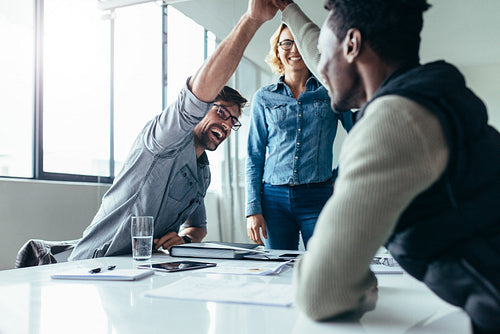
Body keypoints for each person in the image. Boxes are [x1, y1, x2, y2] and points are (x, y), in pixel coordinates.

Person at [277, 0, 500, 333]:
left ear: (352, 45)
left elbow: (322, 294)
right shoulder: (431, 96)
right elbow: (324, 55)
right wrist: (287, 8)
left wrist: (359, 286)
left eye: (324, 57)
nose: (319, 69)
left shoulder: (395, 119)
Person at [69, 0, 279, 261]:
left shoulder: (202, 172)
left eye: (232, 122)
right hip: (96, 264)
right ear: (204, 108)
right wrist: (251, 20)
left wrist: (185, 238)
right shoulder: (165, 138)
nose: (226, 125)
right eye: (221, 112)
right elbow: (194, 99)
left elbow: (198, 227)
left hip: (142, 267)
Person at [246, 21, 352, 250]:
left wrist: (339, 176)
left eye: (300, 43)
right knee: (278, 270)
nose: (294, 50)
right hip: (273, 200)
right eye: (286, 43)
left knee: (325, 266)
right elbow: (254, 156)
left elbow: (361, 134)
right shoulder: (264, 98)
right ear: (277, 50)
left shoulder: (332, 91)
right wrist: (252, 209)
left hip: (319, 198)